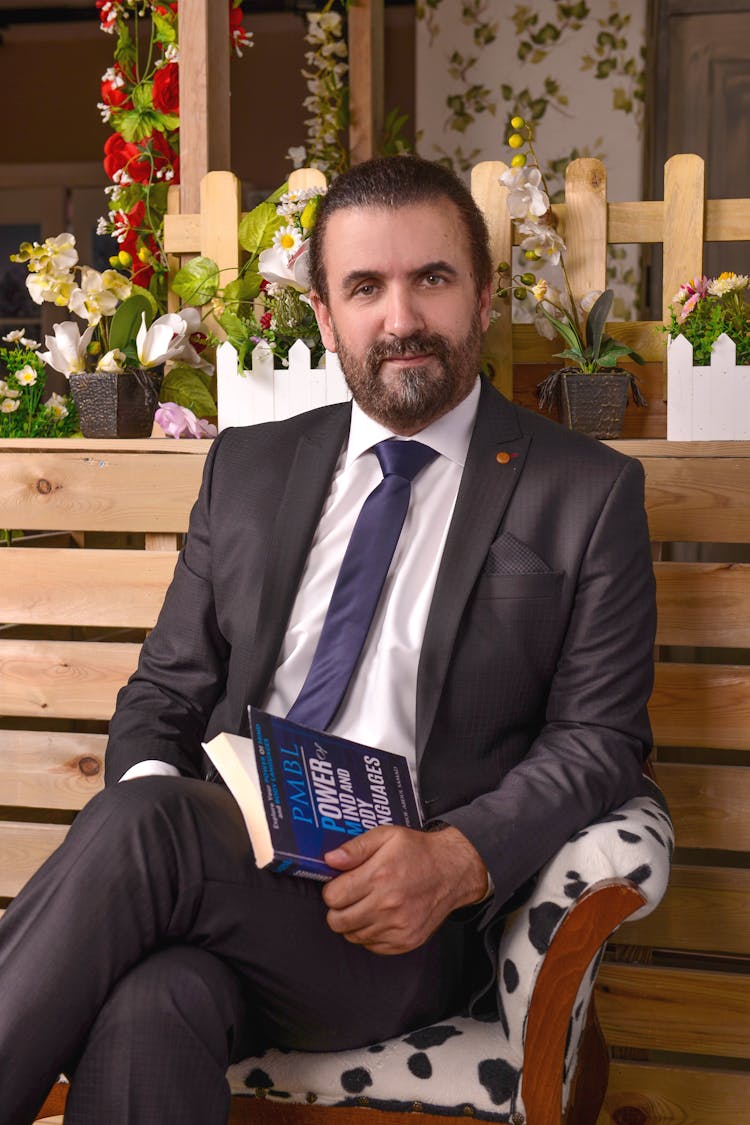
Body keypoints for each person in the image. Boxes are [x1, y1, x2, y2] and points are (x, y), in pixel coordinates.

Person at [0, 155, 656, 1125]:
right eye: (365, 287)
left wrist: (458, 860)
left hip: (398, 927)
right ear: (324, 316)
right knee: (152, 1001)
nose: (400, 320)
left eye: (431, 278)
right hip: (220, 878)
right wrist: (146, 863)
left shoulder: (584, 493)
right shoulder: (252, 468)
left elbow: (603, 742)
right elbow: (165, 694)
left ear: (481, 299)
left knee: (157, 828)